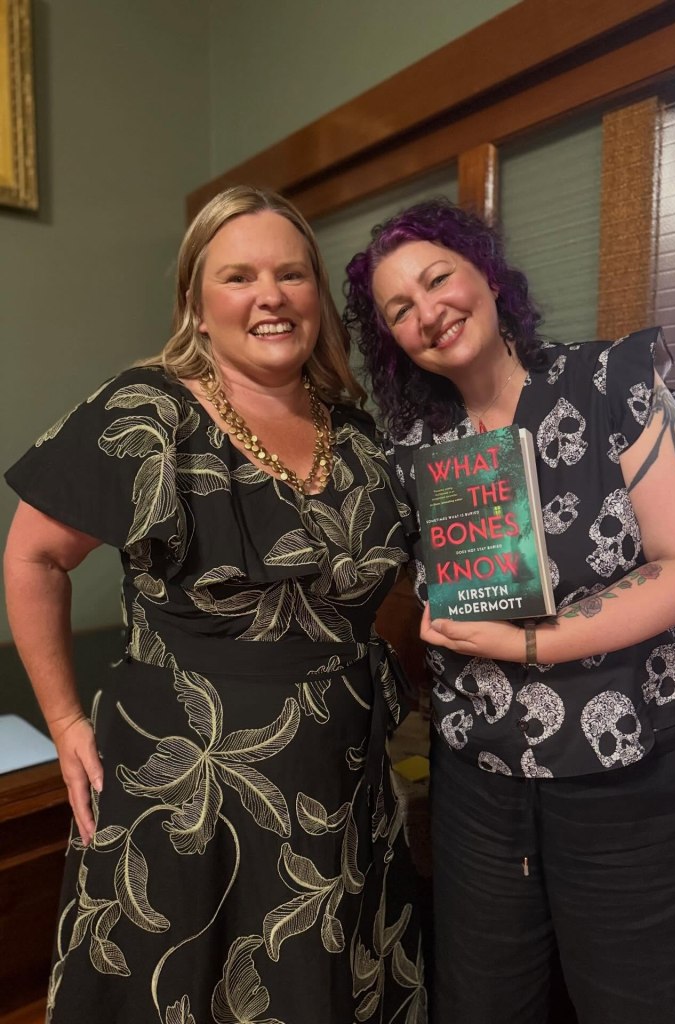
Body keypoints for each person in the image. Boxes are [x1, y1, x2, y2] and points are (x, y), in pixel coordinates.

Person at [4, 185, 427, 1024]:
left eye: (291, 274)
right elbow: (32, 557)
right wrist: (63, 721)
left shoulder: (359, 431)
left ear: (316, 297)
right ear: (197, 305)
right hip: (187, 790)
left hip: (342, 781)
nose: (270, 295)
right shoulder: (146, 412)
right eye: (238, 276)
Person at [343, 198, 675, 1024]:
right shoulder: (414, 446)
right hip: (479, 789)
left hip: (633, 777)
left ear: (486, 272)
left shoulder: (611, 382)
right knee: (484, 1006)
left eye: (437, 278)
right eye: (399, 310)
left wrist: (531, 645)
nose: (428, 312)